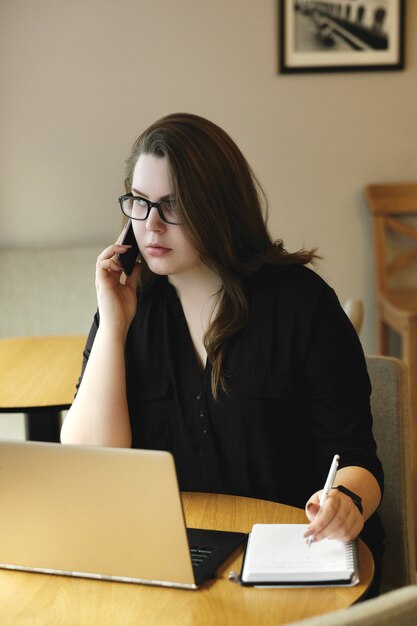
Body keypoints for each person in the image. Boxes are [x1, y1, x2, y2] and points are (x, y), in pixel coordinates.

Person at [61, 112, 384, 595]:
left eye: (172, 206)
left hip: (293, 562)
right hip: (177, 562)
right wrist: (112, 324)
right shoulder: (131, 305)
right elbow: (92, 466)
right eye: (140, 203)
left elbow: (358, 459)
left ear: (218, 208)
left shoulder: (301, 303)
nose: (150, 226)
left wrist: (344, 500)